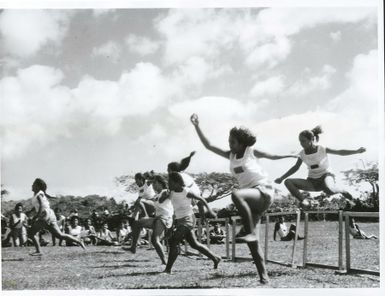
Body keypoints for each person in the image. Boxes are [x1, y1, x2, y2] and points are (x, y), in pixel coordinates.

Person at [190, 113, 297, 284]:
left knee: (235, 194)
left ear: (242, 143)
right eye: (228, 141)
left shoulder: (251, 152)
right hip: (250, 199)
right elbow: (209, 145)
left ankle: (247, 230)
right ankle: (264, 277)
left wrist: (291, 155)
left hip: (263, 191)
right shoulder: (230, 155)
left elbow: (273, 155)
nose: (229, 144)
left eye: (232, 141)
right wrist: (197, 126)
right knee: (252, 242)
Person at [275, 126, 365, 208]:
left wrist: (356, 151)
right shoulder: (302, 154)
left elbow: (339, 152)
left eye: (303, 141)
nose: (301, 144)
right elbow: (295, 167)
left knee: (330, 190)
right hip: (312, 181)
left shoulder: (322, 149)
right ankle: (305, 201)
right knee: (288, 182)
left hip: (326, 176)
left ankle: (342, 190)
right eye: (300, 141)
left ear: (311, 140)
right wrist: (282, 178)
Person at [163, 172, 221, 274]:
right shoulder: (171, 192)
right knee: (194, 244)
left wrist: (209, 211)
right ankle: (215, 258)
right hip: (179, 220)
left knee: (174, 240)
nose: (168, 184)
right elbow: (170, 206)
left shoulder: (186, 192)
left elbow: (201, 200)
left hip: (188, 219)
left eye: (170, 182)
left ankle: (168, 269)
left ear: (177, 182)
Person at [27, 178, 85, 256]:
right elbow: (38, 206)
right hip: (50, 214)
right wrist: (31, 211)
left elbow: (41, 205)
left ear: (37, 186)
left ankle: (38, 251)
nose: (32, 186)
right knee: (59, 235)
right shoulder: (38, 194)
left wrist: (36, 217)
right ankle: (78, 240)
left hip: (45, 215)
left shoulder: (39, 194)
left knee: (31, 233)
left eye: (33, 184)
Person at [124, 175, 173, 265]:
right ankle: (133, 247)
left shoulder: (165, 191)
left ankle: (165, 262)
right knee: (138, 223)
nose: (153, 186)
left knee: (155, 240)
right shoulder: (157, 195)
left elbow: (166, 196)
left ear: (160, 183)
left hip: (165, 219)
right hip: (157, 218)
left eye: (155, 183)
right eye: (153, 183)